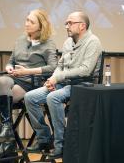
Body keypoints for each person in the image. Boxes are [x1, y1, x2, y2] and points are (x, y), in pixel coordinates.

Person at [24, 11, 102, 159]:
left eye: (70, 23)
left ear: (82, 26)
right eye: (66, 23)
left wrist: (59, 77)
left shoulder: (93, 41)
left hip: (83, 85)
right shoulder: (68, 42)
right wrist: (53, 79)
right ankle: (44, 138)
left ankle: (61, 144)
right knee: (30, 97)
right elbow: (60, 65)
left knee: (53, 98)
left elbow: (86, 70)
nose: (66, 26)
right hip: (64, 84)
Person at [0, 9, 57, 159]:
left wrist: (28, 71)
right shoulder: (20, 40)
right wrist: (9, 67)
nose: (26, 24)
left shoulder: (48, 43)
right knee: (1, 80)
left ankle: (8, 141)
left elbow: (53, 67)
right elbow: (11, 60)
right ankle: (8, 132)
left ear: (41, 26)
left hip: (32, 82)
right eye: (26, 20)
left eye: (31, 22)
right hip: (16, 79)